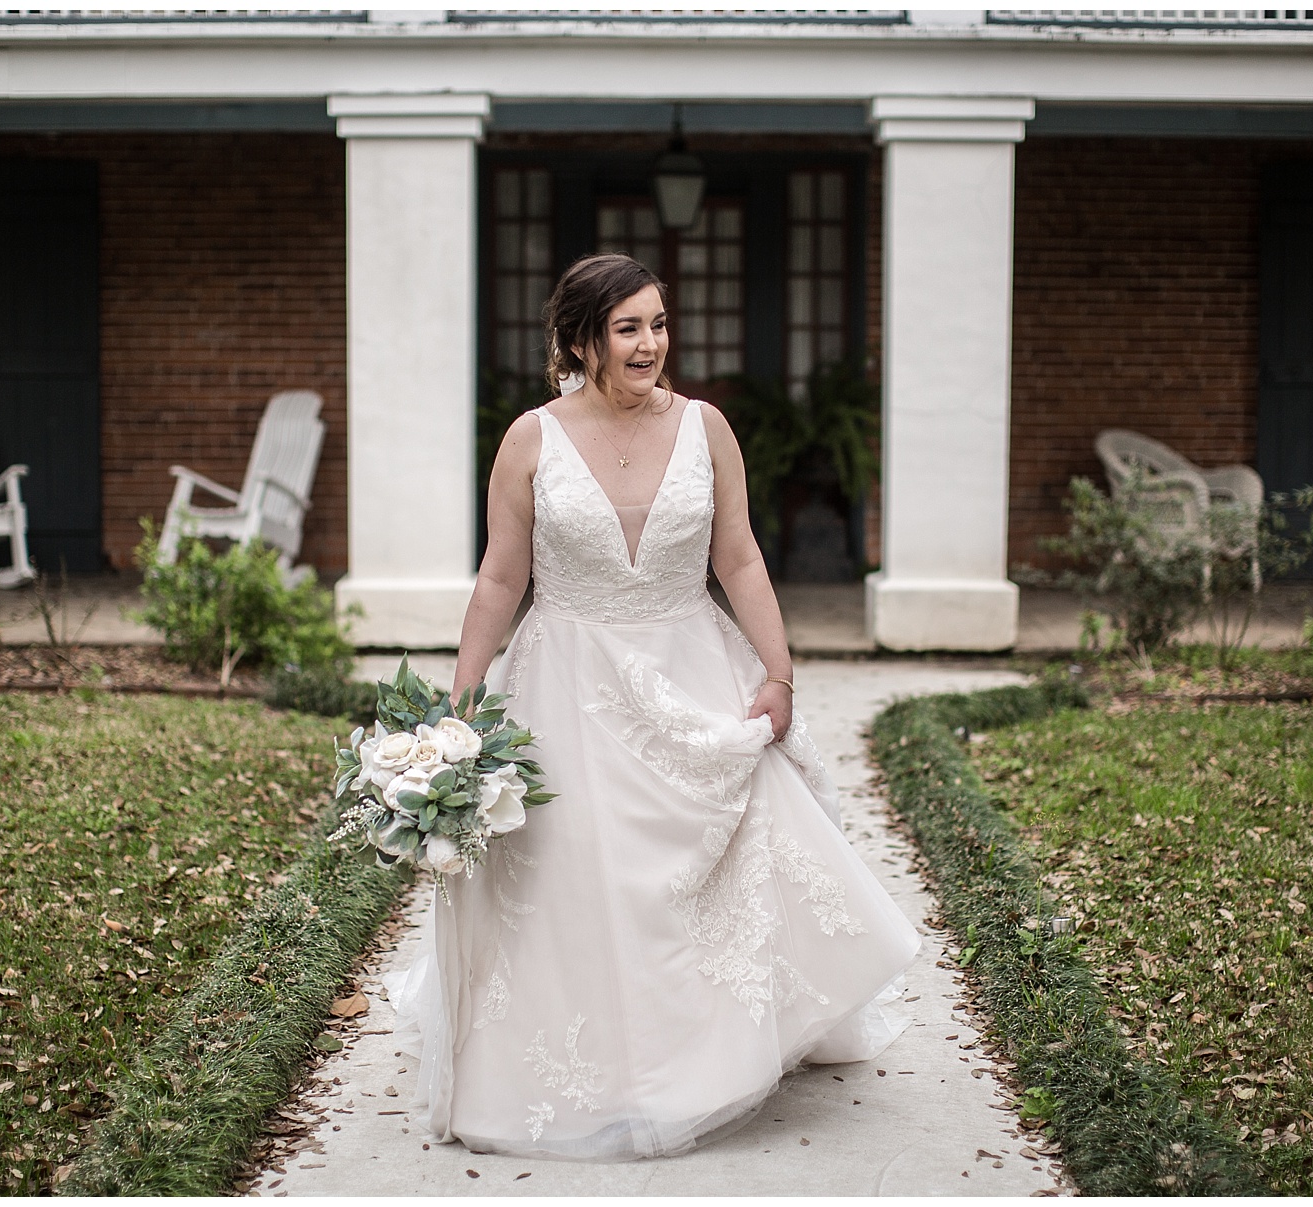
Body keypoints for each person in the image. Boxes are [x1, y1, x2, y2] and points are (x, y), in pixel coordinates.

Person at [388, 253, 919, 1162]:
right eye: (628, 327)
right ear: (581, 340)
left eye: (659, 324)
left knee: (723, 864)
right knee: (581, 877)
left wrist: (779, 673)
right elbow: (500, 578)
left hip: (690, 669)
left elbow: (741, 559)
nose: (650, 344)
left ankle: (708, 1055)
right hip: (566, 683)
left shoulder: (707, 429)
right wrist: (461, 708)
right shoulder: (532, 440)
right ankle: (593, 1065)